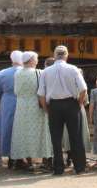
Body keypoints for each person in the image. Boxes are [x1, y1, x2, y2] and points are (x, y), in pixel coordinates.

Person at [37, 45, 88, 175]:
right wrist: (79, 103)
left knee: (56, 138)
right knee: (75, 137)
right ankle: (79, 167)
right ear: (66, 55)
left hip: (54, 105)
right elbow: (83, 89)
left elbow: (41, 94)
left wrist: (46, 109)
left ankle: (58, 168)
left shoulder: (46, 71)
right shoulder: (73, 69)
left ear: (54, 56)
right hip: (72, 103)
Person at [9, 51, 52, 170]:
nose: (37, 61)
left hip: (21, 105)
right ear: (32, 60)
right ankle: (45, 160)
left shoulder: (17, 73)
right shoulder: (39, 73)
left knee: (22, 132)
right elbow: (42, 90)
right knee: (41, 132)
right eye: (36, 58)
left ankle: (24, 161)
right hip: (36, 105)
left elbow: (16, 91)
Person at [0, 50, 23, 167]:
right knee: (21, 128)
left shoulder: (2, 73)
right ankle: (20, 156)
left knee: (7, 127)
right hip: (22, 101)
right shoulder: (25, 72)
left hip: (7, 101)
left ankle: (9, 156)